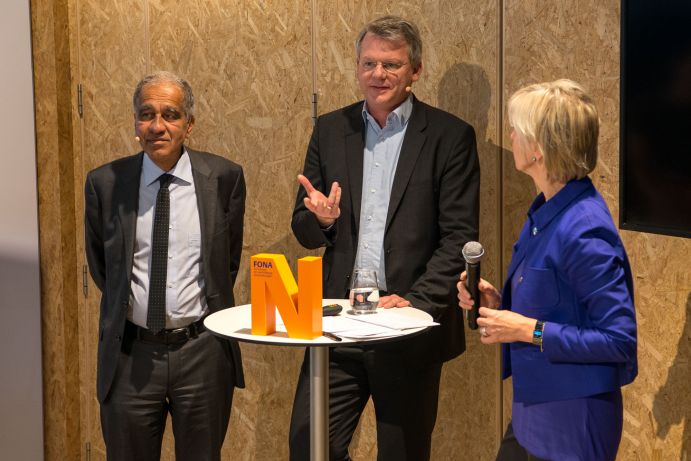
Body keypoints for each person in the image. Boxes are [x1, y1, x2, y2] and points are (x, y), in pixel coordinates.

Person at [289, 15, 480, 461]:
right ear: (357, 67)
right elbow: (303, 228)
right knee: (309, 447)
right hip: (336, 327)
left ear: (415, 71)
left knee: (403, 454)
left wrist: (415, 301)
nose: (378, 75)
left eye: (391, 65)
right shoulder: (330, 129)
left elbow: (459, 238)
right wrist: (323, 220)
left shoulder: (450, 137)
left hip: (407, 328)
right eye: (369, 63)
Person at [457, 79, 637, 461]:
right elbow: (561, 303)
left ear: (540, 148)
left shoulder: (585, 227)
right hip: (533, 409)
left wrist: (525, 329)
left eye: (517, 130)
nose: (509, 136)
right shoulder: (547, 207)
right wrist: (499, 304)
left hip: (572, 419)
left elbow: (618, 340)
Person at [84, 71, 245, 461]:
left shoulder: (224, 178)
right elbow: (103, 267)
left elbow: (226, 264)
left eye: (170, 115)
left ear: (189, 124)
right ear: (135, 123)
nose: (157, 126)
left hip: (202, 352)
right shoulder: (105, 183)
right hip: (131, 355)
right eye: (147, 114)